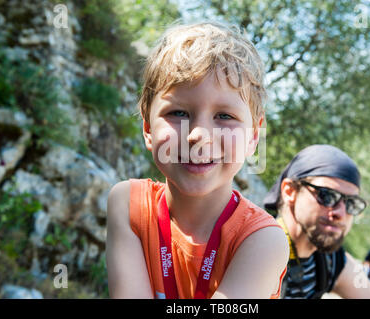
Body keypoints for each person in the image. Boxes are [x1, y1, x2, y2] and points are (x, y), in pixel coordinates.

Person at [106, 22, 289, 299]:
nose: (199, 136)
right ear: (147, 129)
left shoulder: (262, 240)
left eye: (224, 116)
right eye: (178, 113)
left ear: (253, 136)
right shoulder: (129, 206)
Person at [263, 144, 370, 299]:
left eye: (351, 203)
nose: (340, 213)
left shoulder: (331, 261)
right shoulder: (257, 252)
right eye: (327, 195)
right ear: (290, 191)